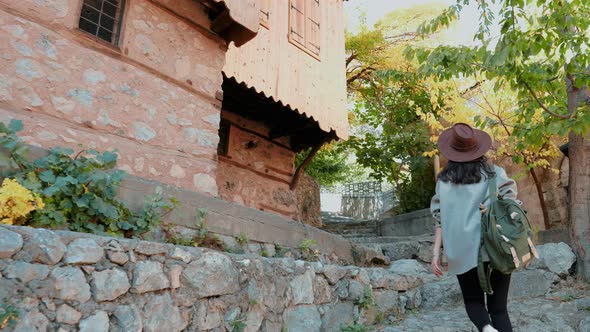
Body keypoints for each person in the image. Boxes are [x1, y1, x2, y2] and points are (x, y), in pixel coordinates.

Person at [430, 123, 518, 332]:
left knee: (473, 301)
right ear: (478, 149)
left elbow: (440, 218)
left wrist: (435, 253)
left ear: (451, 152)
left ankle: (487, 329)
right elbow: (512, 204)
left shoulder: (443, 182)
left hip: (460, 251)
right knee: (499, 309)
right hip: (495, 246)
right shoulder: (495, 174)